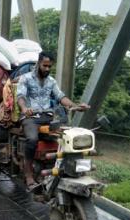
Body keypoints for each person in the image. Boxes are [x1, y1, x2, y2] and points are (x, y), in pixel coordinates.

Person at [16, 51, 89, 191]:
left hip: (48, 117)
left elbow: (60, 97)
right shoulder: (25, 78)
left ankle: (66, 169)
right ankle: (29, 174)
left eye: (50, 66)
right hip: (31, 117)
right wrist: (25, 108)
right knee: (32, 139)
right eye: (45, 66)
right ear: (38, 63)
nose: (47, 69)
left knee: (66, 138)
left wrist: (75, 106)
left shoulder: (51, 81)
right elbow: (21, 96)